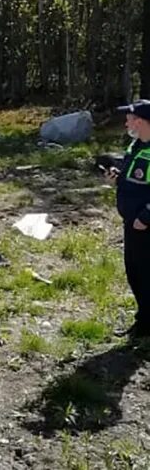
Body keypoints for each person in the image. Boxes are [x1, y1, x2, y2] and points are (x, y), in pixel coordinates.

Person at [108, 100, 150, 338]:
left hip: (144, 224)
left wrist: (146, 217)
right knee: (135, 273)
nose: (126, 122)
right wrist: (117, 177)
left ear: (141, 122)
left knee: (146, 274)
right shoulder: (135, 146)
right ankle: (144, 323)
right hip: (132, 223)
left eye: (129, 118)